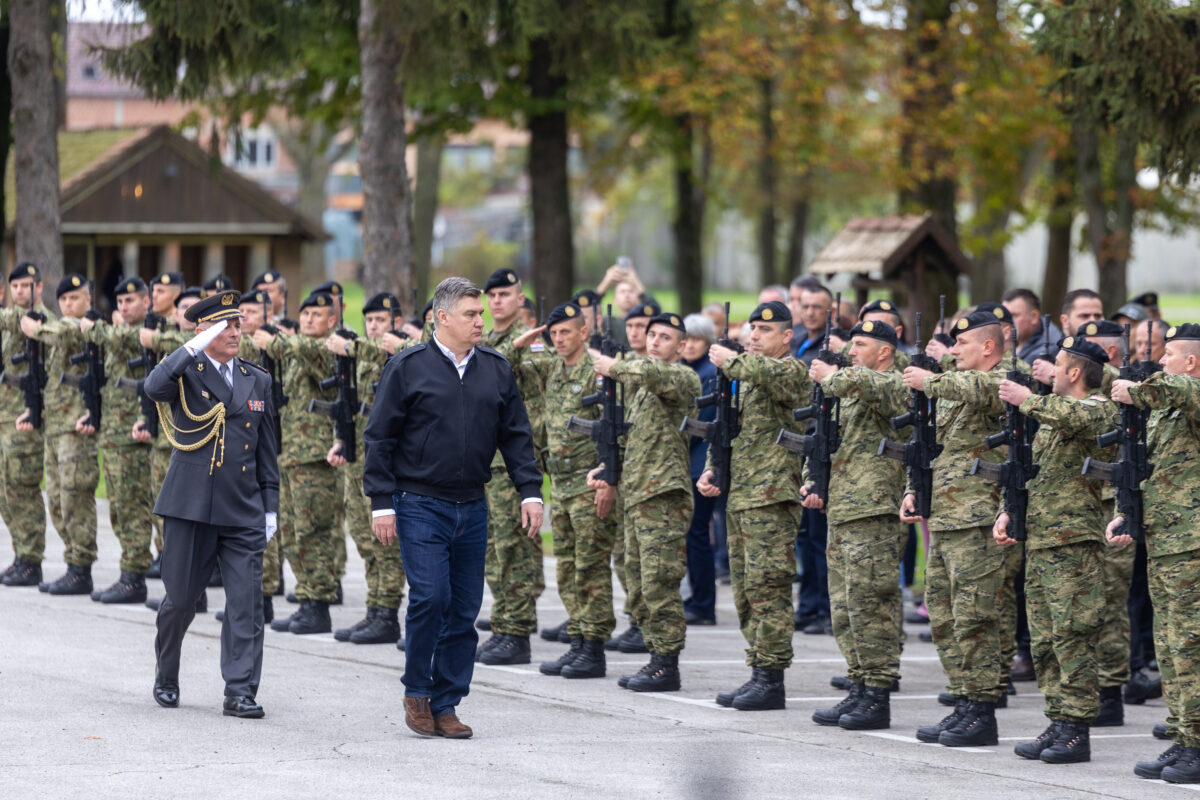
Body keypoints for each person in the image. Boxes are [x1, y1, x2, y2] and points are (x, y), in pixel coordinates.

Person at [364, 276, 543, 739]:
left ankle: (446, 703)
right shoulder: (407, 367)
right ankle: (417, 691)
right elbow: (380, 437)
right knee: (431, 598)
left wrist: (530, 491)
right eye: (471, 314)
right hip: (419, 502)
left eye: (480, 313)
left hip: (472, 504)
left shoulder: (495, 368)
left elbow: (516, 435)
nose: (480, 321)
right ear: (442, 317)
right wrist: (381, 502)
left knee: (464, 609)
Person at [145, 289, 278, 718]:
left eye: (238, 325)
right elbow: (153, 387)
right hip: (191, 506)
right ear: (203, 331)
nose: (236, 332)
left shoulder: (258, 379)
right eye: (225, 326)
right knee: (181, 600)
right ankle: (167, 673)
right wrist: (191, 347)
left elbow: (267, 451)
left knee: (246, 605)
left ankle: (240, 691)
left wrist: (270, 507)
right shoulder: (187, 370)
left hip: (242, 508)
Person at [995, 336, 1116, 764]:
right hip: (1042, 540)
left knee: (1073, 635)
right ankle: (1059, 719)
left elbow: (1075, 417)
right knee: (1045, 639)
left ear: (1075, 372)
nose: (1051, 371)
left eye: (1059, 365)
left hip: (1073, 543)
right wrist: (1009, 511)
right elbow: (1035, 473)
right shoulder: (1051, 416)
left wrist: (1027, 399)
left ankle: (1077, 729)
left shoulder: (1098, 409)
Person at [901, 308, 1011, 747]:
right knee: (945, 618)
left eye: (962, 343)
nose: (954, 350)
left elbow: (983, 390)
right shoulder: (952, 386)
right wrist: (914, 490)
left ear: (988, 347)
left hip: (978, 520)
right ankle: (963, 701)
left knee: (975, 619)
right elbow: (933, 449)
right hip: (946, 518)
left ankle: (982, 712)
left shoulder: (1002, 381)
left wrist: (930, 378)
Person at [698, 301, 808, 710]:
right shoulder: (743, 374)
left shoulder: (791, 371)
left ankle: (772, 677)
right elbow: (728, 428)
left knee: (769, 586)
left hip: (772, 496)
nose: (755, 337)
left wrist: (730, 360)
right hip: (741, 493)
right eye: (753, 330)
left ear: (787, 336)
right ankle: (758, 668)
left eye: (765, 331)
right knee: (746, 589)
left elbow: (769, 375)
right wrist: (713, 468)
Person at [502, 302, 620, 679]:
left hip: (590, 484)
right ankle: (579, 640)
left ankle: (594, 648)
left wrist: (609, 479)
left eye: (566, 332)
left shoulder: (599, 371)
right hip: (562, 485)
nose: (559, 339)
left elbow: (615, 427)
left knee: (590, 568)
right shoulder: (552, 367)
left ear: (584, 332)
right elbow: (503, 366)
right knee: (567, 568)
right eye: (553, 334)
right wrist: (522, 341)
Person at [588, 312, 700, 693]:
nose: (654, 341)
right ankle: (655, 655)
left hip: (663, 496)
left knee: (659, 581)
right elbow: (631, 439)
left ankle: (667, 663)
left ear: (681, 346)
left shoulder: (681, 377)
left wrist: (612, 366)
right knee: (637, 581)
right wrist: (607, 469)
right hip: (637, 495)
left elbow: (650, 372)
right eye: (652, 335)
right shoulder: (641, 388)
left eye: (665, 337)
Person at [808, 319, 909, 729]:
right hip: (844, 509)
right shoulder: (850, 388)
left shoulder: (893, 383)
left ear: (884, 351)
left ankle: (878, 695)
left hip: (874, 511)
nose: (851, 352)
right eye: (851, 345)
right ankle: (859, 685)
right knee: (845, 607)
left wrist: (830, 375)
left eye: (861, 345)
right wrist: (813, 480)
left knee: (872, 604)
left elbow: (867, 384)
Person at [1111, 324, 1200, 783]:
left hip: (1192, 545)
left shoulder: (1189, 396)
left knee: (1191, 646)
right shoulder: (1167, 411)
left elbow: (1177, 389)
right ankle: (1185, 737)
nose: (1161, 362)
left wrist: (1134, 389)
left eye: (1170, 355)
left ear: (1192, 362)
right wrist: (1126, 514)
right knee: (1169, 647)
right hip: (1165, 542)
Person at [325, 292, 410, 646]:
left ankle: (387, 612)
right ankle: (374, 608)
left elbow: (400, 354)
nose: (374, 327)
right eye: (370, 321)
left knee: (385, 541)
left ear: (397, 322)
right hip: (358, 457)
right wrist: (340, 440)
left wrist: (353, 347)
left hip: (386, 460)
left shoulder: (403, 352)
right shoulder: (362, 355)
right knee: (363, 537)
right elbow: (349, 402)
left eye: (381, 320)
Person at [253, 291, 341, 635]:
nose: (308, 320)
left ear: (332, 320)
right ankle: (306, 600)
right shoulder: (295, 350)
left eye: (317, 315)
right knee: (290, 532)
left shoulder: (328, 349)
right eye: (304, 314)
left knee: (312, 531)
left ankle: (318, 603)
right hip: (290, 455)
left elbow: (305, 350)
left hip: (315, 457)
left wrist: (274, 341)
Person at [473, 268, 547, 665]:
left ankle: (517, 633)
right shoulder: (485, 340)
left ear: (520, 299)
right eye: (492, 295)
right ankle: (503, 625)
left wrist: (512, 351)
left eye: (505, 294)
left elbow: (534, 385)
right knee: (492, 550)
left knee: (513, 548)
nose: (497, 301)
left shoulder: (532, 343)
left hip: (512, 464)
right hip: (485, 462)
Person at [20, 274, 101, 596]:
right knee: (55, 499)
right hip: (55, 426)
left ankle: (81, 567)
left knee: (74, 496)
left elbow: (60, 333)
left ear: (88, 300)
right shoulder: (60, 327)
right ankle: (73, 560)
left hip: (75, 429)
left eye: (75, 298)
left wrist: (34, 329)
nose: (68, 304)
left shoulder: (84, 327)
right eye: (64, 299)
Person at [80, 277, 156, 604]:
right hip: (113, 435)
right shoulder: (120, 333)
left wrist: (95, 327)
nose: (124, 307)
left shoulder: (146, 333)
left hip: (132, 438)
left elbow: (113, 336)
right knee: (119, 509)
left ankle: (134, 576)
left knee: (132, 507)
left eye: (131, 301)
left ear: (146, 303)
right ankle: (130, 572)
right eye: (120, 302)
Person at [0, 263, 53, 588]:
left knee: (23, 488)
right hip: (4, 417)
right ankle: (21, 554)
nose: (20, 291)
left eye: (26, 285)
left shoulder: (44, 323)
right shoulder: (10, 322)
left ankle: (32, 560)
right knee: (6, 491)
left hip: (25, 420)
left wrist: (37, 412)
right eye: (16, 286)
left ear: (39, 287)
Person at [680, 313, 719, 626]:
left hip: (699, 463)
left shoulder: (708, 373)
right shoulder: (686, 369)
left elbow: (701, 423)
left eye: (697, 339)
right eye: (686, 339)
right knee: (691, 534)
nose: (690, 345)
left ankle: (704, 604)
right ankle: (696, 597)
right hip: (686, 462)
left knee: (697, 534)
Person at [1003, 288, 1062, 364]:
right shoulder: (1008, 340)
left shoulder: (1049, 349)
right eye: (1004, 316)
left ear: (1034, 316)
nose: (1007, 321)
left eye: (1014, 315)